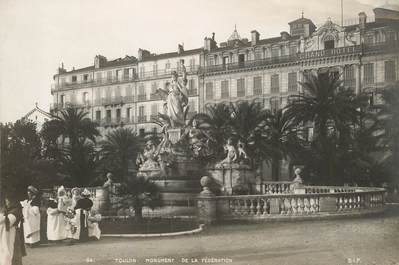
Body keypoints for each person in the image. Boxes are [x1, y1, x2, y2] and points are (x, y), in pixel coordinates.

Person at [0, 194, 27, 265]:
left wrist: (2, 218)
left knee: (14, 255)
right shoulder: (5, 209)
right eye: (6, 199)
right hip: (5, 236)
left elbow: (8, 221)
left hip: (13, 235)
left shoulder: (16, 210)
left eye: (8, 200)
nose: (7, 201)